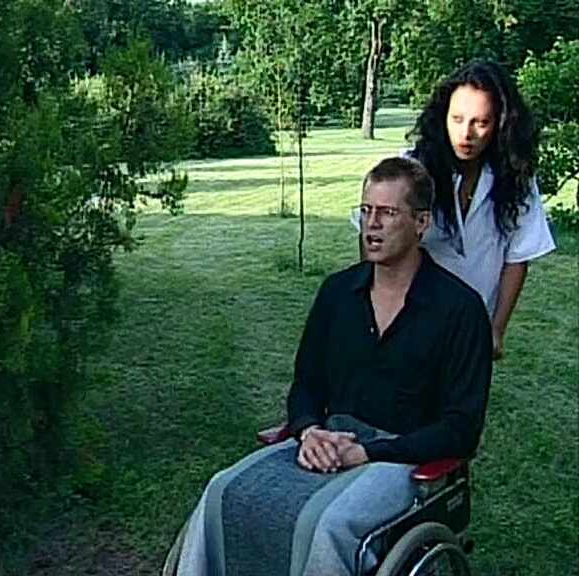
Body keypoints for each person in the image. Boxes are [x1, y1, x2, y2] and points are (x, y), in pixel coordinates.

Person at [162, 156, 494, 576]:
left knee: (326, 525)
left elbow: (461, 429)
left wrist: (368, 452)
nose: (371, 225)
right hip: (327, 438)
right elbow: (307, 384)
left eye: (388, 213)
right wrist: (308, 430)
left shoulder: (459, 310)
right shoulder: (337, 294)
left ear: (421, 222)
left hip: (403, 457)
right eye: (366, 210)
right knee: (222, 490)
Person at [354, 59, 556, 360]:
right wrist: (374, 310)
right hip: (407, 320)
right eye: (457, 119)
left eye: (481, 122)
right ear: (443, 116)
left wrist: (496, 329)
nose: (466, 134)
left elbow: (517, 257)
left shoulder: (516, 180)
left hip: (472, 328)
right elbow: (371, 237)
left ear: (501, 124)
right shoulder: (412, 170)